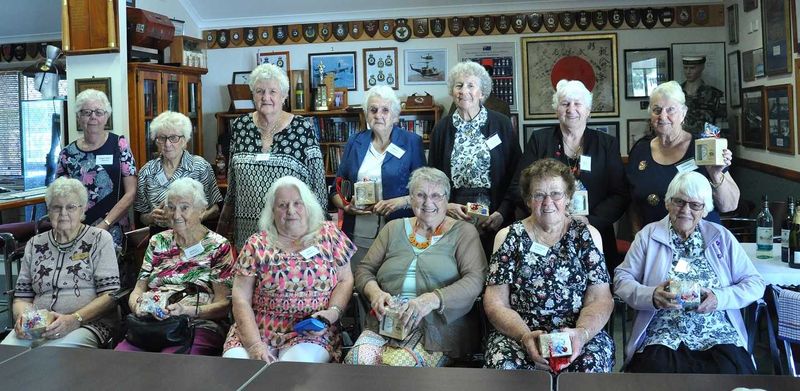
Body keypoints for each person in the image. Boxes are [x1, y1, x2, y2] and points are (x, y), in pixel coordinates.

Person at [614, 171, 765, 374]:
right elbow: (622, 279)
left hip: (717, 332)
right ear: (668, 203)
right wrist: (652, 296)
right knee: (655, 373)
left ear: (705, 210)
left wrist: (719, 298)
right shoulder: (648, 236)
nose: (686, 210)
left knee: (732, 373)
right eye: (679, 202)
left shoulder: (721, 237)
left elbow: (755, 283)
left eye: (695, 205)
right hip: (662, 333)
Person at [344, 167, 486, 367]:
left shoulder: (464, 232)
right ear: (410, 199)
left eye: (436, 195)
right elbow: (364, 270)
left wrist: (432, 299)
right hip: (385, 323)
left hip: (437, 328)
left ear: (447, 199)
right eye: (420, 195)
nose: (428, 202)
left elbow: (475, 280)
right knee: (357, 361)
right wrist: (375, 293)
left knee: (398, 366)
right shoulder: (392, 228)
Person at [484, 159, 614, 373]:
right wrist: (524, 336)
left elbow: (600, 299)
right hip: (520, 334)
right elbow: (496, 303)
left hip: (577, 332)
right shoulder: (508, 237)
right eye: (539, 195)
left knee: (591, 365)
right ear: (528, 200)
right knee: (505, 365)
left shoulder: (587, 236)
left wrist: (581, 334)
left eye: (556, 194)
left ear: (568, 197)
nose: (547, 202)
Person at [223, 176, 354, 363]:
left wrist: (332, 313)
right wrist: (254, 345)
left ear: (308, 206)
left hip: (310, 331)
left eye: (297, 203)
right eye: (282, 205)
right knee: (238, 367)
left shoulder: (331, 235)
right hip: (258, 329)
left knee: (293, 370)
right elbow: (240, 297)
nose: (291, 211)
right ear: (272, 211)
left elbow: (345, 280)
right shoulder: (256, 244)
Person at [516, 79, 628, 272]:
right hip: (545, 232)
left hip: (594, 232)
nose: (571, 109)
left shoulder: (607, 144)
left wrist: (589, 220)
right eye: (565, 104)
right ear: (556, 110)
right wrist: (551, 217)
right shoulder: (539, 140)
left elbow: (620, 194)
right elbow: (520, 187)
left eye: (578, 104)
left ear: (588, 110)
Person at [115, 178, 233, 355]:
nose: (176, 215)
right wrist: (137, 307)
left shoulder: (218, 246)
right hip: (152, 322)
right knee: (120, 358)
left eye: (184, 208)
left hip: (194, 324)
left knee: (171, 361)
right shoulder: (158, 241)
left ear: (201, 210)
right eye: (171, 207)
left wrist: (187, 311)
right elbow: (138, 289)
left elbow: (223, 304)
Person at [217, 63, 327, 249]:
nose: (265, 97)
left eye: (272, 92)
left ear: (284, 96)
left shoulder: (302, 128)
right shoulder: (240, 127)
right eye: (259, 91)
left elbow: (319, 188)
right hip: (247, 230)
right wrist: (223, 227)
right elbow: (232, 185)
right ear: (253, 95)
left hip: (290, 231)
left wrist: (319, 233)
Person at [1, 177, 120, 348]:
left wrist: (74, 319)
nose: (63, 213)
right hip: (38, 326)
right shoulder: (35, 243)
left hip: (86, 324)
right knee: (6, 353)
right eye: (56, 207)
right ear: (49, 210)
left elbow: (110, 296)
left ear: (83, 209)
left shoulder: (99, 239)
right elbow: (21, 298)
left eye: (71, 207)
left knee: (52, 355)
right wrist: (23, 319)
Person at [428, 61, 520, 258]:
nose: (464, 91)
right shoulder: (442, 129)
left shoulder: (501, 124)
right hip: (454, 213)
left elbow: (517, 173)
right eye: (459, 85)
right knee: (458, 266)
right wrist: (445, 206)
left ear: (482, 92)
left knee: (493, 266)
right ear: (452, 91)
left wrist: (502, 212)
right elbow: (432, 176)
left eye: (471, 85)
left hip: (495, 211)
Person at [331, 85, 425, 268]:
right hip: (358, 236)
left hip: (399, 235)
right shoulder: (355, 142)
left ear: (395, 115)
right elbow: (337, 187)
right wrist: (346, 205)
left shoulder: (411, 142)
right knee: (359, 280)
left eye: (385, 110)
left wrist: (400, 202)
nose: (378, 115)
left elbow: (424, 191)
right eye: (373, 110)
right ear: (366, 114)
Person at [626, 81, 739, 232]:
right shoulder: (640, 150)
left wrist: (716, 175)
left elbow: (729, 205)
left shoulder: (703, 146)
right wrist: (638, 238)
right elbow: (633, 204)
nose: (663, 116)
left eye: (670, 110)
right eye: (657, 110)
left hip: (701, 240)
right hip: (655, 240)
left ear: (683, 113)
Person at [58, 89, 137, 248]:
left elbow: (131, 192)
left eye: (99, 112)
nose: (93, 117)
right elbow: (60, 196)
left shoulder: (119, 145)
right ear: (78, 117)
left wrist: (105, 224)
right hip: (78, 230)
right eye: (86, 112)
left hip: (114, 227)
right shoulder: (67, 154)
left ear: (106, 116)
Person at [135, 111, 222, 236]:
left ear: (184, 140)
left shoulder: (200, 167)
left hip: (193, 235)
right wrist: (151, 217)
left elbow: (216, 208)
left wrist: (196, 218)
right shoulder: (147, 171)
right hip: (159, 237)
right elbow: (141, 216)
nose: (167, 144)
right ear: (156, 141)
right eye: (162, 138)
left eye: (173, 138)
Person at [680, 56, 726, 137]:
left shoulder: (714, 95)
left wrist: (699, 131)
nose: (688, 72)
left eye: (692, 68)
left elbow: (721, 129)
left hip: (705, 142)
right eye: (685, 68)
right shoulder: (675, 93)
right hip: (678, 142)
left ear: (701, 67)